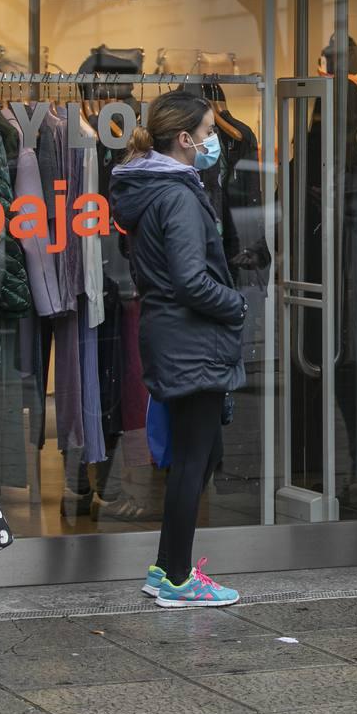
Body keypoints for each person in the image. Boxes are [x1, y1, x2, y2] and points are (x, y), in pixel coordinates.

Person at [110, 90, 246, 609]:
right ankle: (175, 578)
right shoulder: (178, 196)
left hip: (174, 335)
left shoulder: (152, 189)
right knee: (194, 459)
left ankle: (168, 570)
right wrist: (234, 304)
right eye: (210, 132)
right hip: (192, 338)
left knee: (200, 453)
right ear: (185, 139)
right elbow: (191, 279)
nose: (214, 141)